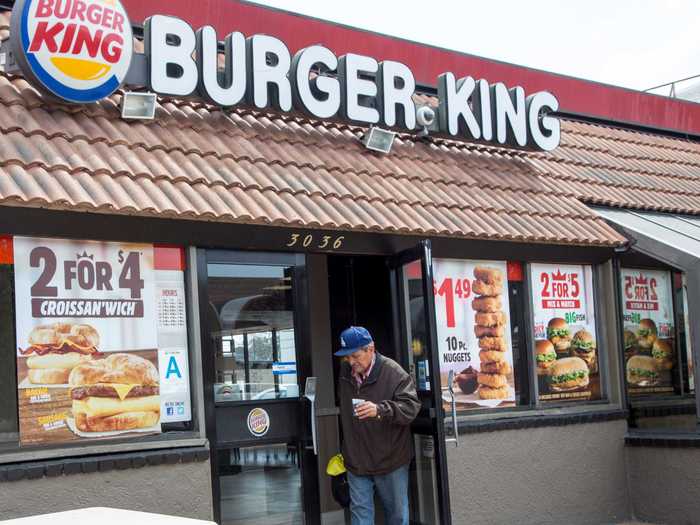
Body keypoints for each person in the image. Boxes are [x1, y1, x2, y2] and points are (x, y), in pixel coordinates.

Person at [335, 326, 421, 525]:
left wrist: (380, 410)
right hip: (357, 460)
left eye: (355, 355)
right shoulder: (345, 371)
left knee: (397, 516)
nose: (351, 361)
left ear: (370, 349)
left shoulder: (394, 372)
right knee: (360, 516)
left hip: (390, 460)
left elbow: (411, 407)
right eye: (347, 357)